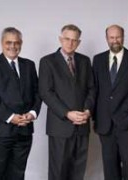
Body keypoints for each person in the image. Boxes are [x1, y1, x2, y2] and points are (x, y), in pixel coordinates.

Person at [0, 27, 41, 180]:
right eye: (9, 42)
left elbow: (38, 93)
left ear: (21, 43)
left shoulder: (29, 65)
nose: (13, 46)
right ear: (2, 43)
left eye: (17, 42)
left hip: (24, 131)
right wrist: (10, 116)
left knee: (18, 174)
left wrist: (32, 114)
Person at [39, 24, 94, 180]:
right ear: (60, 39)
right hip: (60, 126)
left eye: (74, 40)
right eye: (67, 39)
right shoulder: (47, 61)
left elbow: (92, 89)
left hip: (82, 125)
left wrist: (87, 111)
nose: (70, 43)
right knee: (59, 171)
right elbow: (46, 93)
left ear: (79, 42)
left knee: (78, 170)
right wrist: (67, 114)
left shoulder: (84, 61)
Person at [92, 24, 128, 180]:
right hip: (105, 123)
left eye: (118, 37)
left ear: (123, 37)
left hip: (127, 122)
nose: (115, 40)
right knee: (109, 166)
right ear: (106, 38)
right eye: (111, 37)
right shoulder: (98, 59)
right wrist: (95, 118)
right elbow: (95, 90)